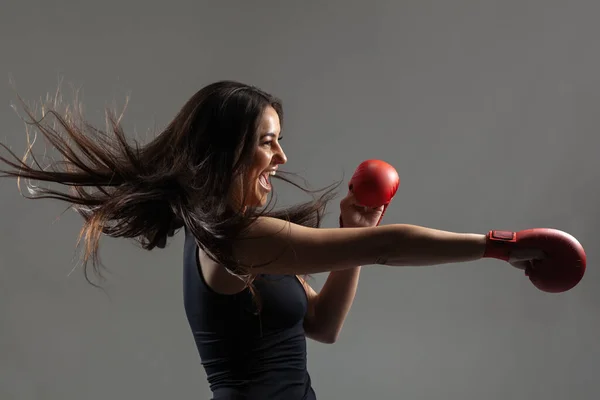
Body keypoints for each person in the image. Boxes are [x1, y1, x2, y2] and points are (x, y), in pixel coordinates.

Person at [0, 80, 543, 399]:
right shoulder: (239, 243)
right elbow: (388, 249)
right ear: (227, 152)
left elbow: (322, 325)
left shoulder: (237, 242)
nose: (281, 159)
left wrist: (353, 233)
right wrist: (498, 245)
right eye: (267, 143)